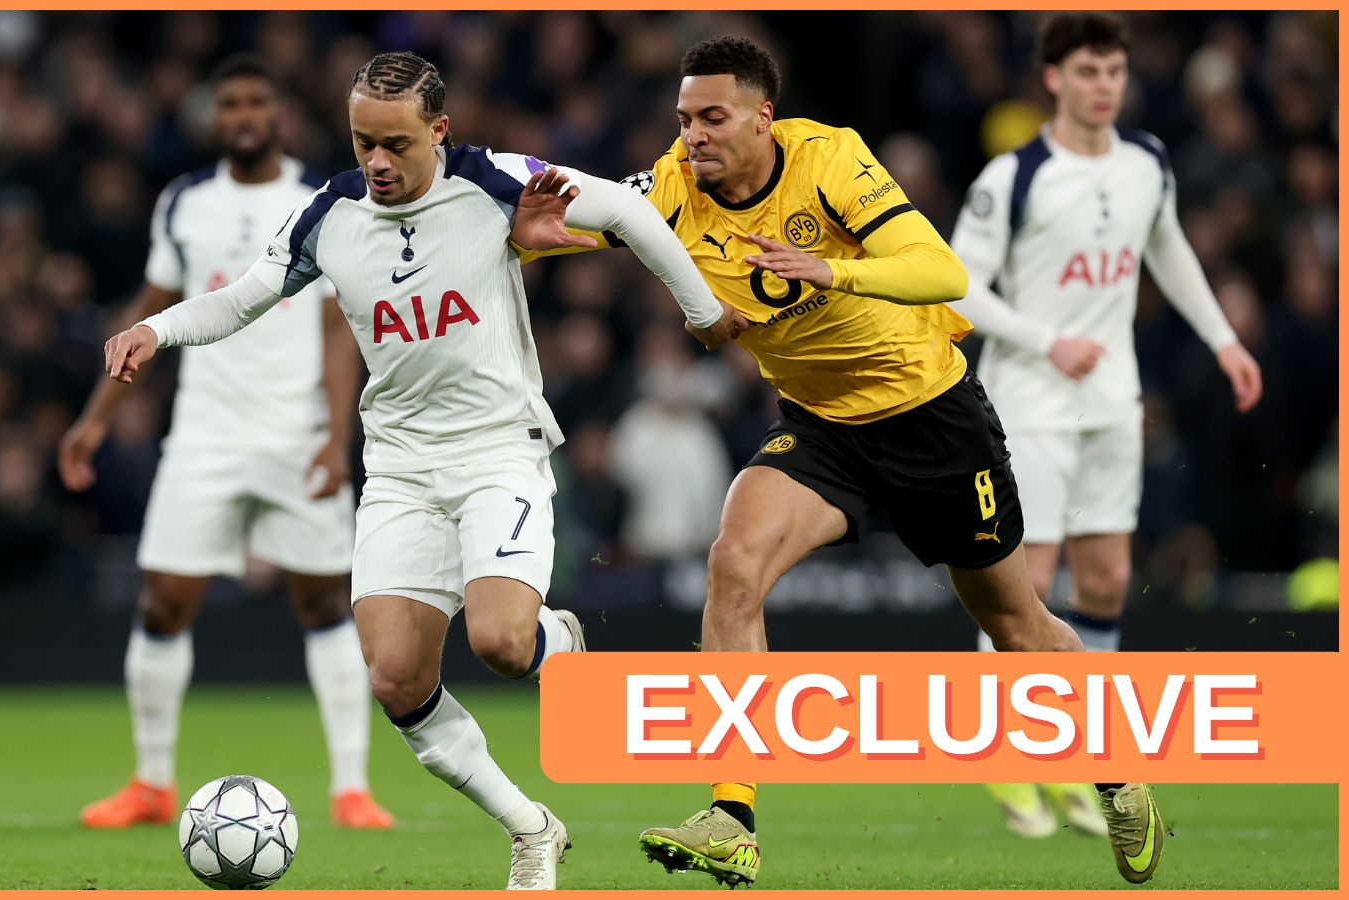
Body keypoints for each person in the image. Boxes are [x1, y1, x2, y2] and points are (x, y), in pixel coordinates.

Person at [516, 34, 1155, 888]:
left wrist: (833, 270)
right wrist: (527, 237)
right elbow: (561, 219)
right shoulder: (669, 184)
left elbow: (940, 269)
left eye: (712, 118)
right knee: (732, 564)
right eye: (682, 119)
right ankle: (732, 815)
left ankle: (1118, 775)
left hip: (933, 419)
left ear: (761, 118)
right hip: (824, 430)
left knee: (1015, 626)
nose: (692, 136)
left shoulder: (829, 160)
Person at [101, 51, 741, 890]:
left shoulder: (495, 181)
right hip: (400, 470)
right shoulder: (328, 214)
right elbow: (242, 296)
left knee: (503, 644)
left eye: (395, 144)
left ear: (437, 131)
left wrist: (701, 311)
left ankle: (556, 638)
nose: (376, 162)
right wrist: (158, 330)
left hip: (494, 452)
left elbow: (626, 207)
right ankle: (530, 826)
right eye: (363, 141)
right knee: (396, 676)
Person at [950, 12, 1259, 870]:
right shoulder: (1014, 175)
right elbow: (955, 281)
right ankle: (1010, 758)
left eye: (1114, 71)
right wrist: (1042, 339)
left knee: (1108, 577)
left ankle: (1090, 764)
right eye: (1087, 70)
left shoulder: (1145, 162)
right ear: (1053, 78)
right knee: (1029, 581)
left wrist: (1222, 340)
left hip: (1111, 400)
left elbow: (1171, 251)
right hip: (1032, 399)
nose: (1103, 85)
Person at [60, 55, 394, 832]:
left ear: (277, 112)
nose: (243, 115)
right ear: (216, 116)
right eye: (230, 104)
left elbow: (337, 327)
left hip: (297, 433)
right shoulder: (184, 202)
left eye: (256, 103)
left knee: (321, 602)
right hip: (204, 436)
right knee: (164, 600)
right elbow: (152, 311)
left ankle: (351, 788)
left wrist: (336, 436)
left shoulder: (323, 198)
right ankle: (149, 783)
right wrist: (95, 418)